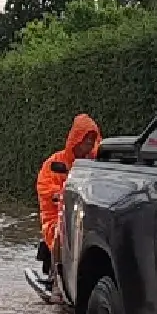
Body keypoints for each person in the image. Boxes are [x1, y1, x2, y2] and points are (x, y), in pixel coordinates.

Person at [37, 113, 101, 266]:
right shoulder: (55, 162)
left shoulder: (95, 163)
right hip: (57, 215)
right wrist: (58, 194)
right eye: (86, 140)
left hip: (84, 214)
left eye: (92, 141)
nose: (89, 145)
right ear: (76, 139)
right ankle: (55, 273)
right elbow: (43, 185)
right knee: (60, 234)